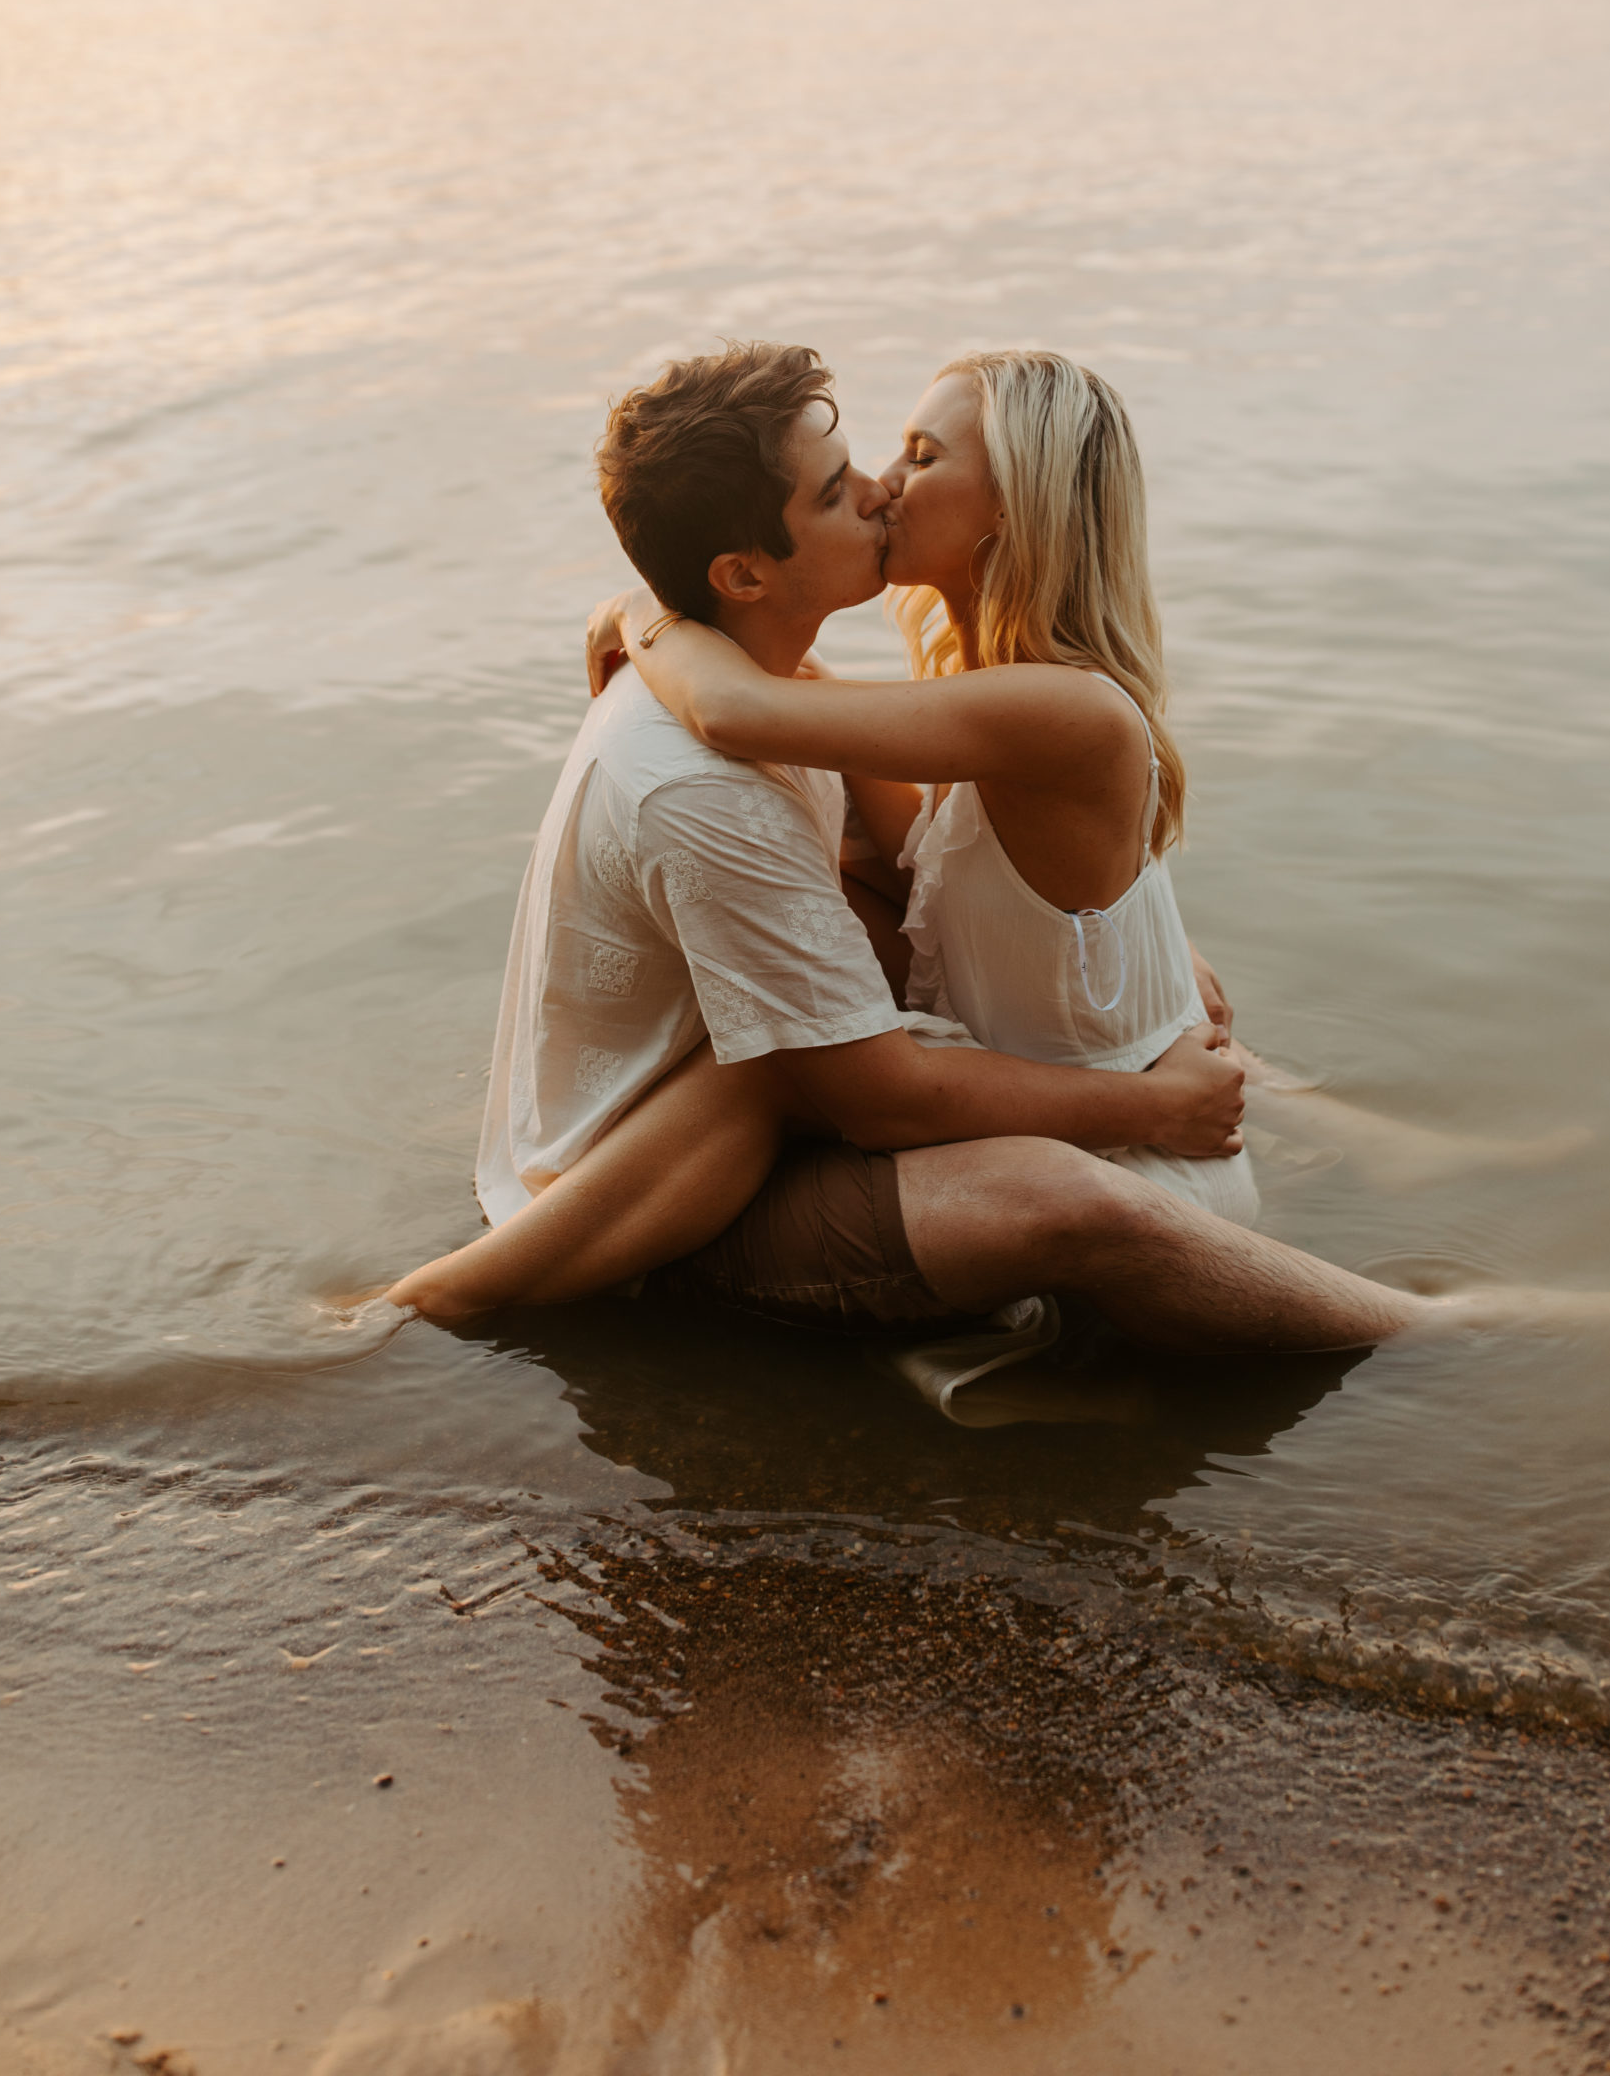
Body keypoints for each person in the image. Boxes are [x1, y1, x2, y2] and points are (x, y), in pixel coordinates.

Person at [384, 342, 1445, 1354]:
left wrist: (643, 613)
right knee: (848, 933)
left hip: (1143, 1155)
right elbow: (817, 772)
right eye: (855, 475)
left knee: (808, 1036)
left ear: (1010, 514)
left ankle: (1443, 1335)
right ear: (747, 573)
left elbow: (739, 711)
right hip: (1097, 1113)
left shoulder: (1025, 711)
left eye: (918, 460)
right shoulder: (933, 706)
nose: (885, 486)